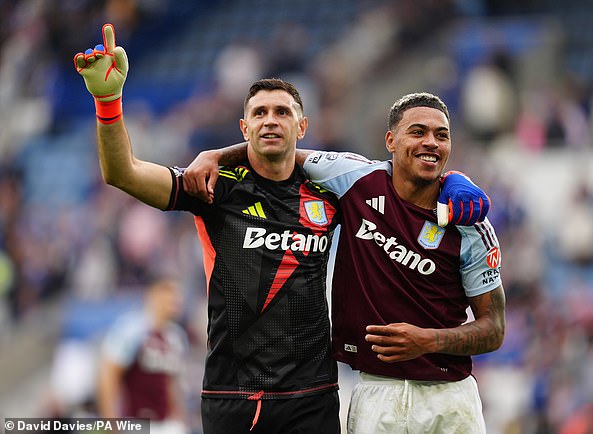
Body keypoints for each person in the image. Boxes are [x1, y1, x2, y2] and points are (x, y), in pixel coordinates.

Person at [74, 23, 491, 434]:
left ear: (302, 127)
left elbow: (408, 172)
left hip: (314, 394)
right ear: (245, 127)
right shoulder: (215, 187)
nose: (270, 120)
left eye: (282, 112)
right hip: (234, 393)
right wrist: (109, 101)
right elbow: (122, 173)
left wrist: (456, 180)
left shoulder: (333, 189)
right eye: (259, 113)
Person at [184, 94, 506, 433]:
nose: (431, 142)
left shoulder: (469, 222)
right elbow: (280, 149)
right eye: (418, 132)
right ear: (390, 141)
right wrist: (215, 155)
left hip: (450, 400)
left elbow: (494, 329)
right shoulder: (354, 177)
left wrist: (429, 341)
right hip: (376, 394)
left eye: (442, 135)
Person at [97, 277, 188, 434]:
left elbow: (170, 384)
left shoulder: (176, 337)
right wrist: (111, 424)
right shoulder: (131, 330)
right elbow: (108, 377)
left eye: (177, 292)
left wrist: (179, 417)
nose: (175, 297)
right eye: (168, 290)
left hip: (167, 424)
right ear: (152, 294)